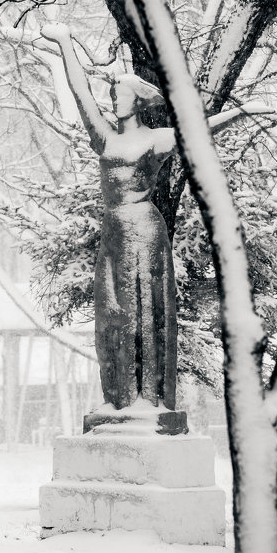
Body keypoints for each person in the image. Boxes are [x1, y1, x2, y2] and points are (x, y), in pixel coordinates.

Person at [42, 25, 178, 415]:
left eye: (121, 94)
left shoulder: (156, 139)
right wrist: (66, 42)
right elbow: (80, 93)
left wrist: (242, 112)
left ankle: (146, 399)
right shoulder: (106, 138)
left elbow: (197, 132)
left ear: (138, 100)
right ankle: (117, 397)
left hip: (145, 230)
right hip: (114, 233)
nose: (114, 100)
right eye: (113, 95)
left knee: (143, 312)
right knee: (112, 315)